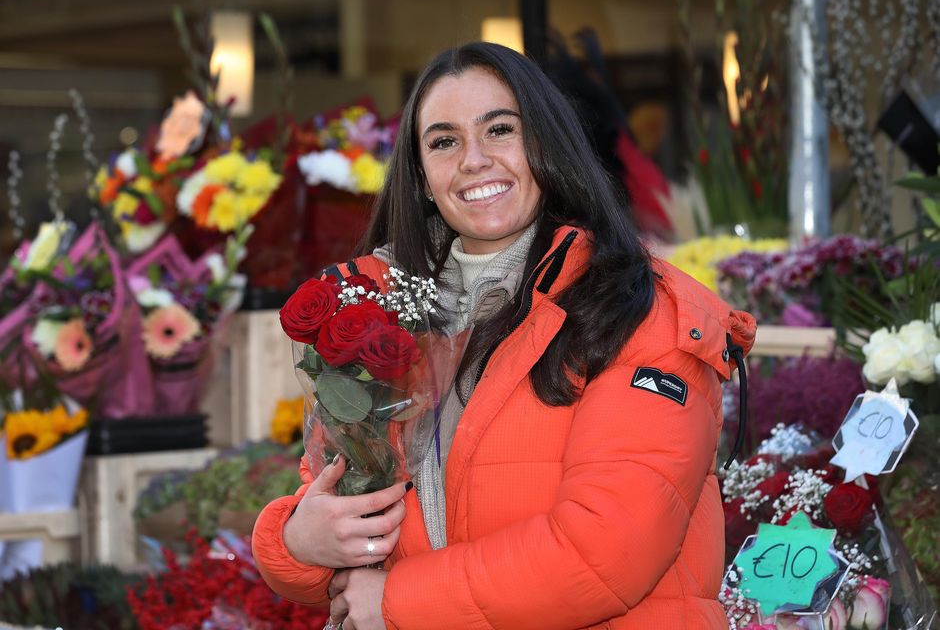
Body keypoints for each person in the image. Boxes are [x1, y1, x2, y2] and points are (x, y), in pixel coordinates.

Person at [252, 42, 756, 629]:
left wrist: (395, 603)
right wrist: (296, 543)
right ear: (421, 177)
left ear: (546, 145)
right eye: (443, 141)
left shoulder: (641, 310)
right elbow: (334, 493)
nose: (473, 159)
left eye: (499, 130)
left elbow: (604, 554)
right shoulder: (383, 314)